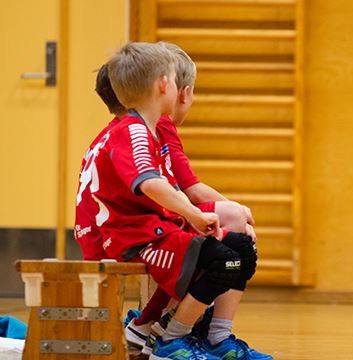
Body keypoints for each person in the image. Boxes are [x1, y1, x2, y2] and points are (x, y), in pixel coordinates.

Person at [76, 46, 270, 358]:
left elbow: (168, 188)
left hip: (144, 227)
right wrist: (194, 215)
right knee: (218, 257)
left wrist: (190, 215)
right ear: (166, 85)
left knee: (236, 250)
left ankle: (171, 331)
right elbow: (154, 184)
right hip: (128, 235)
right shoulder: (135, 130)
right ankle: (169, 340)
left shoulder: (144, 128)